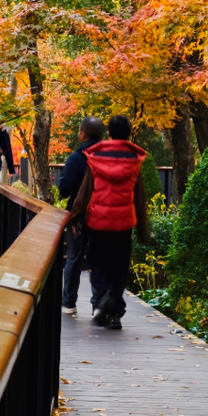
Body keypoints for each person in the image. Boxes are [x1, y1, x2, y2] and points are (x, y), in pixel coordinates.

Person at [70, 114, 147, 331]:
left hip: (99, 222)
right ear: (128, 134)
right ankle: (114, 312)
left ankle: (100, 304)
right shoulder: (134, 160)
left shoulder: (96, 156)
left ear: (109, 133)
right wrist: (142, 226)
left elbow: (86, 190)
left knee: (97, 263)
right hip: (123, 224)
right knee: (119, 267)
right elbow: (139, 196)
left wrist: (75, 215)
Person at [59, 116, 105, 315]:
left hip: (79, 215)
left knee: (74, 258)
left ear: (83, 133)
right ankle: (98, 304)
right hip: (104, 214)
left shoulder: (77, 158)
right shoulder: (109, 156)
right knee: (100, 260)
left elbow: (65, 188)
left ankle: (69, 303)